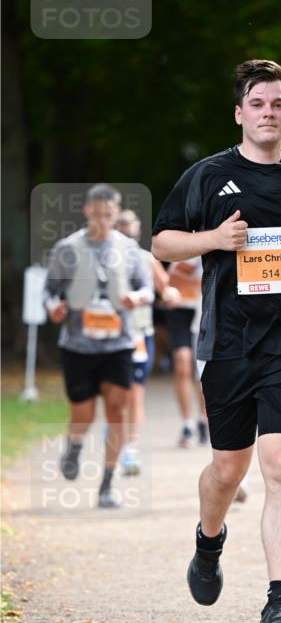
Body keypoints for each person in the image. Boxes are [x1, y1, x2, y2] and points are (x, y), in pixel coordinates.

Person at [152, 59, 281, 623]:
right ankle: (209, 542)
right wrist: (212, 240)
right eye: (257, 103)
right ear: (239, 113)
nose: (268, 113)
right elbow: (161, 241)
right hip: (228, 346)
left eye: (278, 103)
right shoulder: (208, 175)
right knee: (228, 470)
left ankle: (280, 601)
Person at [44, 184, 153, 508]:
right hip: (77, 344)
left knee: (117, 411)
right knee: (83, 412)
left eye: (110, 215)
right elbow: (50, 291)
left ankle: (106, 484)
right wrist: (54, 308)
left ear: (116, 214)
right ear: (87, 211)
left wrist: (136, 298)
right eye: (98, 214)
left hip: (118, 343)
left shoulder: (130, 249)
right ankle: (74, 447)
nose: (103, 221)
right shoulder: (67, 248)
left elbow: (147, 288)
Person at [115, 209, 178, 475]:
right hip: (108, 337)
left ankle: (130, 450)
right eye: (125, 231)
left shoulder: (145, 259)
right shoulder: (102, 259)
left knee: (135, 393)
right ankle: (116, 444)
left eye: (133, 232)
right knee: (115, 394)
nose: (130, 237)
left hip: (139, 333)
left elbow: (166, 290)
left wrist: (171, 294)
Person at [163, 257, 209, 448]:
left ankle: (204, 419)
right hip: (181, 311)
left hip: (203, 312)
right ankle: (187, 424)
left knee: (203, 371)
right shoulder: (184, 241)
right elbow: (171, 278)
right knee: (182, 365)